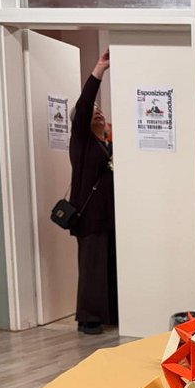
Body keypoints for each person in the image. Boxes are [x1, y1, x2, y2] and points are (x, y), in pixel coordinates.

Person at [69, 50, 116, 335]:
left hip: (107, 215)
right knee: (92, 266)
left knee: (107, 264)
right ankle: (88, 317)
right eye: (92, 110)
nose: (97, 111)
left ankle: (109, 313)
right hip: (89, 216)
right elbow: (85, 104)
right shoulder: (82, 141)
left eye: (100, 109)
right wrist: (99, 69)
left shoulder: (106, 143)